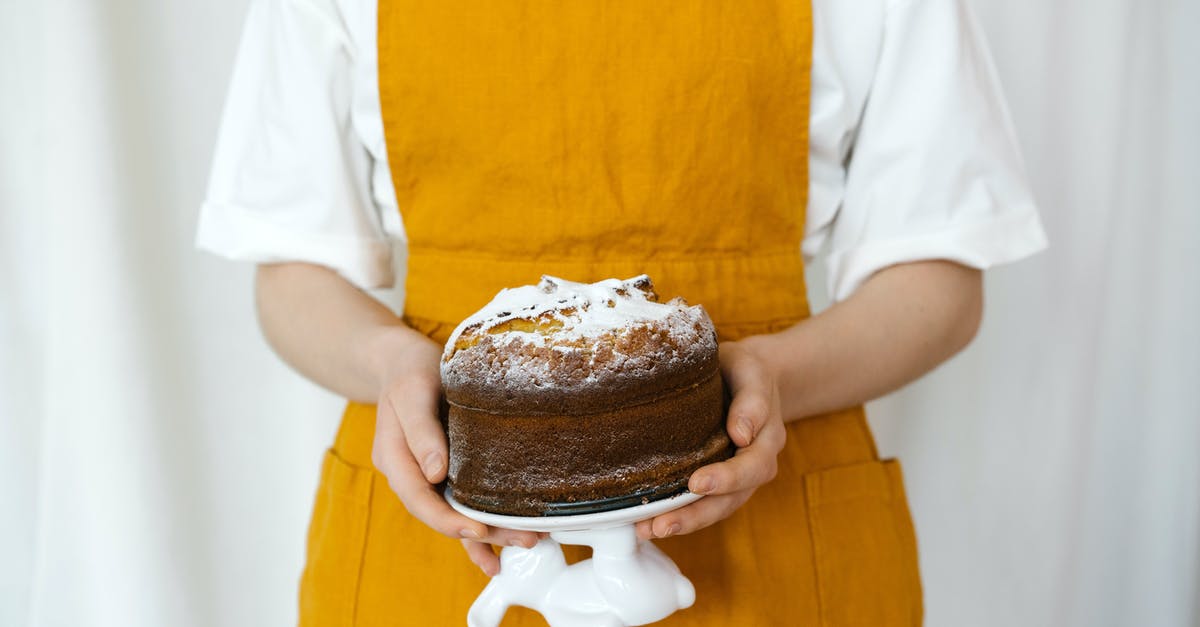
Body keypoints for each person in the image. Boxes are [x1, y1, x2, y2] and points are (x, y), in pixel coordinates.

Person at [199, 0, 1046, 624]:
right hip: (441, 531)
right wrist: (390, 361)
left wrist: (775, 374)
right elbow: (291, 272)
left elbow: (940, 278)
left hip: (774, 531)